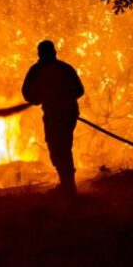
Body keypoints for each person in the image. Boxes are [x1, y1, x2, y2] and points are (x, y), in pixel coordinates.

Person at [21, 40, 84, 196]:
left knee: (60, 147)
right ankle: (67, 185)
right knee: (59, 148)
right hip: (59, 114)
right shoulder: (61, 68)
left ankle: (68, 187)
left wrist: (56, 98)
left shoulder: (41, 70)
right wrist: (40, 98)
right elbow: (28, 94)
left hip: (62, 114)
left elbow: (78, 90)